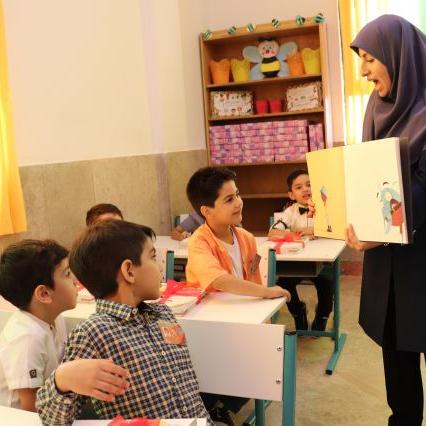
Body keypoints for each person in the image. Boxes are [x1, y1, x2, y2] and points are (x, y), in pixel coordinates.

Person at [36, 220, 211, 425]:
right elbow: (51, 419)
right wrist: (62, 380)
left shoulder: (163, 314)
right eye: (153, 257)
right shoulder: (94, 333)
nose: (159, 267)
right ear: (129, 271)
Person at [347, 15, 426, 425]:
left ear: (399, 56)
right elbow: (373, 177)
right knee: (396, 353)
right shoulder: (377, 109)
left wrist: (385, 227)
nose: (362, 71)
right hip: (388, 262)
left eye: (369, 58)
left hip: (421, 257)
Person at [0, 240, 128, 412]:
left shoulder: (54, 318)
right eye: (67, 274)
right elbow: (30, 408)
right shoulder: (26, 339)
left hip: (53, 406)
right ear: (44, 294)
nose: (75, 280)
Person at [269, 169, 333, 331]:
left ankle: (323, 315)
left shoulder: (325, 207)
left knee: (327, 283)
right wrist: (291, 235)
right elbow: (272, 232)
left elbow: (337, 230)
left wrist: (315, 230)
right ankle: (298, 312)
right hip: (297, 262)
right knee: (283, 282)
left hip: (323, 262)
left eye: (309, 185)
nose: (305, 189)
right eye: (299, 187)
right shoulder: (290, 212)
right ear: (291, 195)